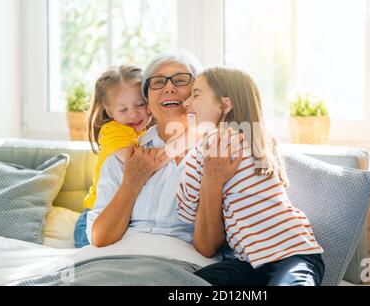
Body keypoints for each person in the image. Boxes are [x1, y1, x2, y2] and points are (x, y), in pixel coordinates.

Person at [177, 67, 325, 286]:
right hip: (251, 262)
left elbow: (185, 209)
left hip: (289, 254)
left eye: (196, 95)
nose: (186, 103)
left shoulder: (206, 148)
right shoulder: (262, 140)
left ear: (225, 105)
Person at [85, 51, 203, 248]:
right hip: (116, 257)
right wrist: (133, 180)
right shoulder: (123, 143)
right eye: (158, 82)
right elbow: (99, 238)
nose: (169, 87)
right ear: (149, 96)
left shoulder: (217, 147)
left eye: (180, 80)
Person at [73, 65, 152, 249]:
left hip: (121, 219)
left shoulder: (148, 132)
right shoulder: (112, 131)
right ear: (109, 111)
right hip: (94, 220)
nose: (133, 113)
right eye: (123, 110)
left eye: (140, 104)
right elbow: (136, 162)